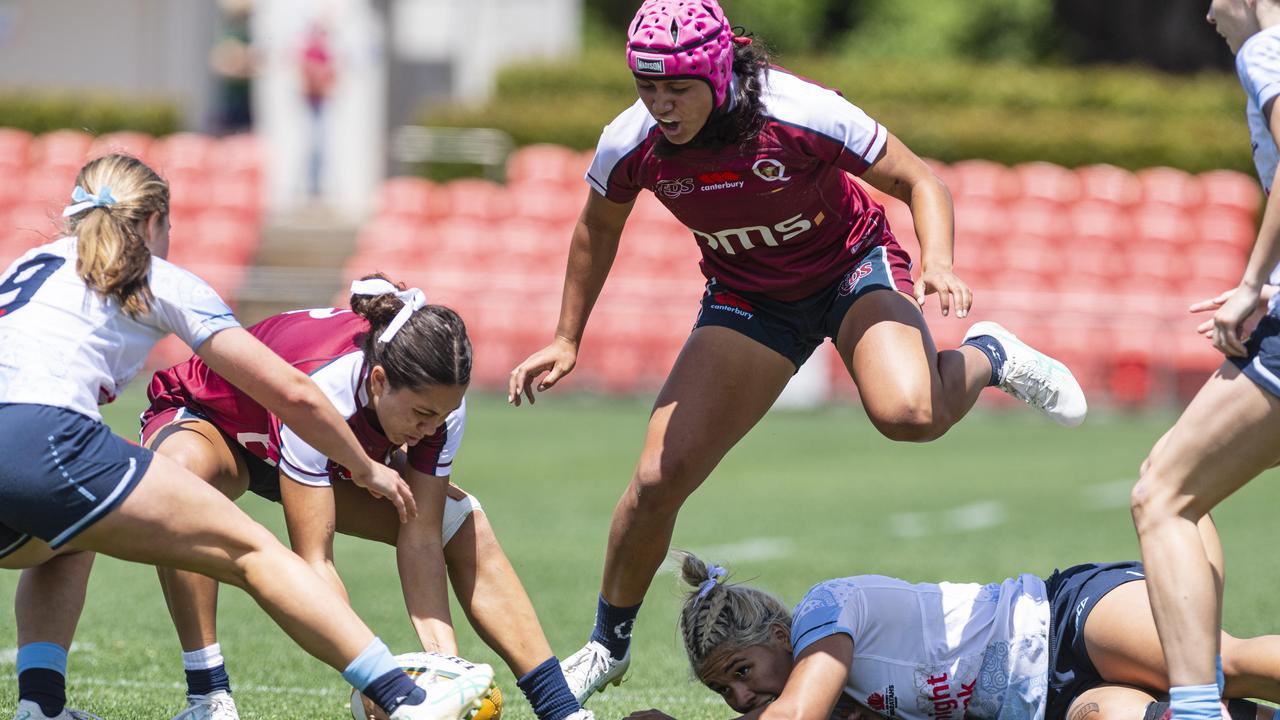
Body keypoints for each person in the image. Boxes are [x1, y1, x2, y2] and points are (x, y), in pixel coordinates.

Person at [506, 0, 1088, 700]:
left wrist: (938, 260)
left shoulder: (799, 110)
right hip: (750, 297)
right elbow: (596, 228)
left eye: (677, 87)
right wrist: (567, 338)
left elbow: (918, 180)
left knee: (909, 415)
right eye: (646, 86)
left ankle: (990, 354)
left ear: (719, 75)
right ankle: (608, 646)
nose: (660, 104)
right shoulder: (630, 142)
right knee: (658, 480)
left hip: (851, 267)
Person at [0, 154, 493, 720]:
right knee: (253, 551)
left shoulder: (28, 264)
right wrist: (364, 466)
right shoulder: (160, 278)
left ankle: (40, 707)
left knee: (64, 537)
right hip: (48, 436)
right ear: (157, 222)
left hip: (21, 449)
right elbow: (295, 394)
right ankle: (407, 700)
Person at [35, 275, 590, 720]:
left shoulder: (439, 402)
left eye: (441, 416)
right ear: (377, 381)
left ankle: (559, 707)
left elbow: (417, 534)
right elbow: (313, 560)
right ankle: (208, 696)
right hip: (217, 424)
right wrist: (382, 682)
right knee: (183, 486)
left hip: (323, 452)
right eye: (421, 415)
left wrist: (443, 672)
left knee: (458, 520)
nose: (431, 428)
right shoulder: (323, 385)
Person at [621, 545, 1280, 720]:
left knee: (1219, 663)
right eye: (723, 692)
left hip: (1061, 620)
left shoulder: (824, 611)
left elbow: (792, 714)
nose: (741, 697)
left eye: (742, 671)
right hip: (1048, 704)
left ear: (778, 629)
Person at [1129, 3, 1280, 720]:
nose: (1205, 9)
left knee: (1165, 494)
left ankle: (1194, 710)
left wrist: (1255, 284)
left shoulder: (1268, 49)